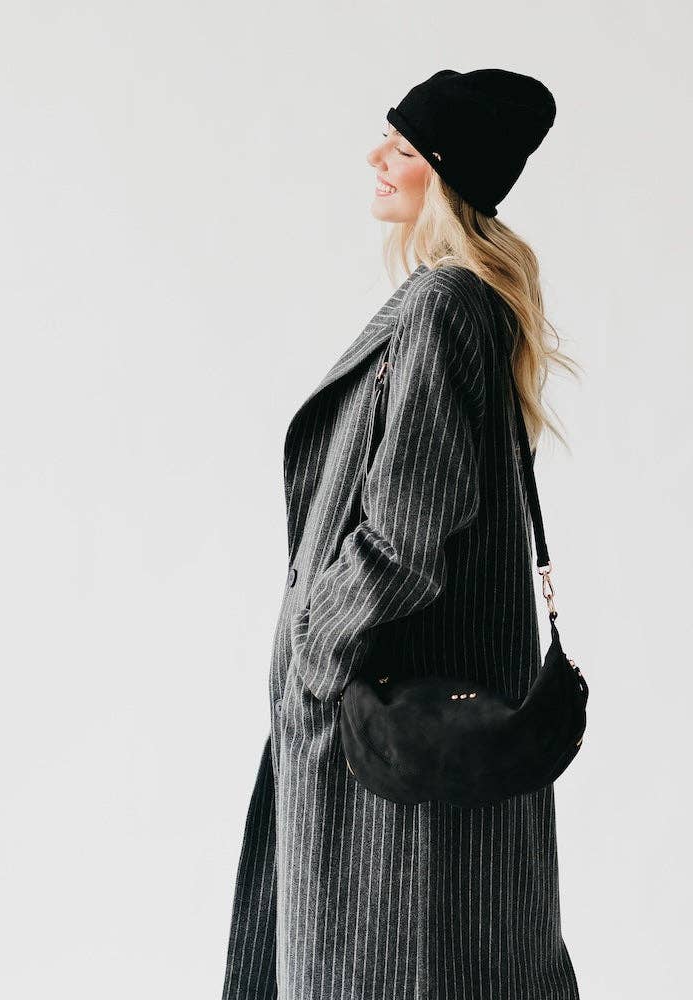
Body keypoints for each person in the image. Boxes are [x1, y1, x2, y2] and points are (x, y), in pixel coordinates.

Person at [221, 68, 582, 1000]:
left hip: (383, 746)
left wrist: (314, 644)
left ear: (447, 175)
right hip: (410, 741)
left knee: (390, 966)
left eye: (406, 147)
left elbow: (407, 534)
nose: (378, 157)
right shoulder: (462, 306)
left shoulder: (443, 307)